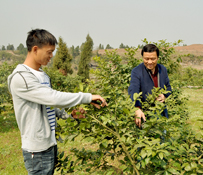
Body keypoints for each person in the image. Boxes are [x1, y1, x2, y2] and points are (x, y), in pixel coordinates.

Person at [7, 29, 108, 175]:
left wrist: (69, 115)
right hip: (37, 149)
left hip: (49, 144)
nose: (51, 56)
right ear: (35, 49)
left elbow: (48, 105)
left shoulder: (42, 75)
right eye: (49, 52)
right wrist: (87, 97)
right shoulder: (22, 78)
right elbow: (53, 98)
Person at [128, 44, 172, 128]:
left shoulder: (163, 69)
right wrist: (137, 108)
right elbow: (133, 90)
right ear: (142, 58)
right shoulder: (137, 71)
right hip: (145, 114)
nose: (149, 62)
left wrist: (164, 96)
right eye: (146, 59)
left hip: (161, 114)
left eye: (153, 59)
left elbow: (168, 88)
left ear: (158, 58)